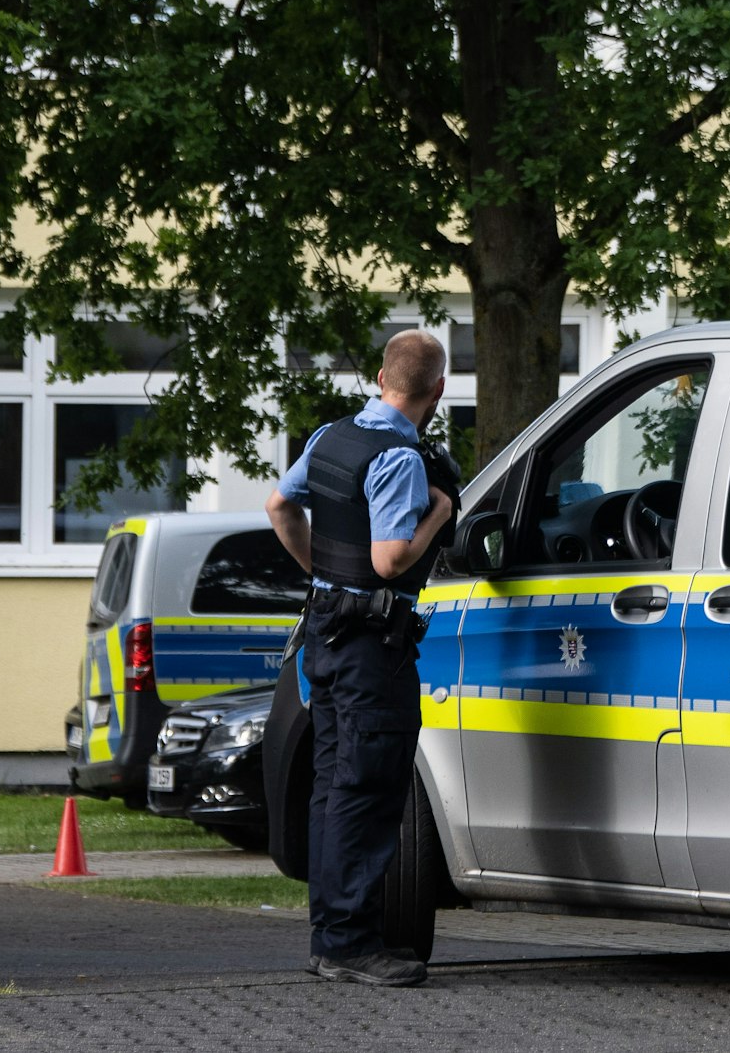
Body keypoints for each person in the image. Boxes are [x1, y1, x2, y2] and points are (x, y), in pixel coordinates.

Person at [266, 329, 457, 988]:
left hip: (325, 633)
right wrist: (441, 510)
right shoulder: (402, 460)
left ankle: (332, 939)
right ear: (437, 390)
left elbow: (279, 505)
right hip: (374, 649)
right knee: (368, 790)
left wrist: (318, 571)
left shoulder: (332, 438)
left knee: (332, 788)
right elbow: (390, 559)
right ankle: (350, 945)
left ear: (381, 378)